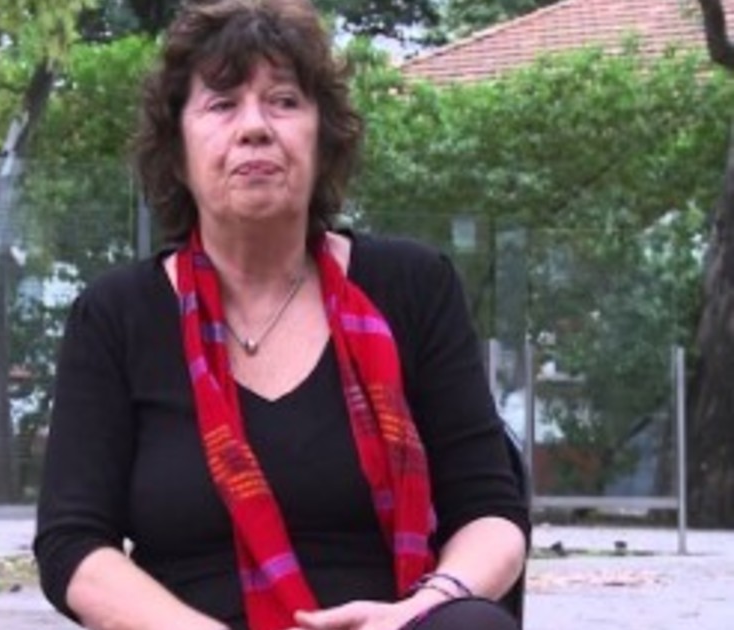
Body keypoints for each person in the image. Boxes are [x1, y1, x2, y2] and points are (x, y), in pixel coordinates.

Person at [33, 1, 529, 628]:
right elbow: (73, 543)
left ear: (322, 142)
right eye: (222, 104)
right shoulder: (116, 315)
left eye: (284, 101)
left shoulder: (412, 286)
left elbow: (491, 513)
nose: (255, 128)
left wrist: (421, 608)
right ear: (178, 153)